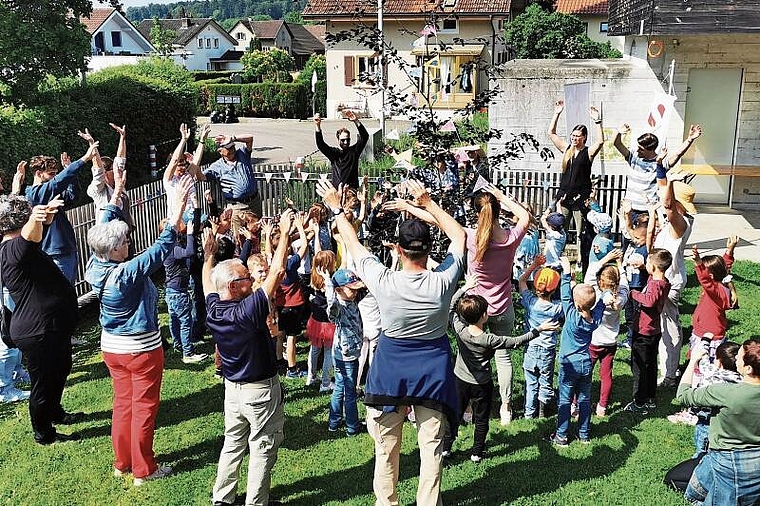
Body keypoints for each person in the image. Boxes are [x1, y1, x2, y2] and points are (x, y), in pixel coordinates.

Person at [316, 177, 465, 506]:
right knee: (431, 451)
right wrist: (427, 204)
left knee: (385, 450)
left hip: (389, 373)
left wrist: (337, 207)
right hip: (434, 375)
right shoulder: (444, 279)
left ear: (397, 249)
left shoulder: (383, 279)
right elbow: (459, 235)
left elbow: (353, 244)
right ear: (428, 249)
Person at [85, 175, 194, 485]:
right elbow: (161, 249)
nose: (128, 243)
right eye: (123, 243)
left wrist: (117, 192)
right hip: (141, 350)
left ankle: (122, 463)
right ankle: (144, 470)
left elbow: (105, 222)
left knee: (122, 405)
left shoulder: (96, 263)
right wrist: (178, 207)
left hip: (113, 349)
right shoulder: (126, 274)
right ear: (113, 250)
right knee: (144, 408)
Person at [204, 209, 293, 506]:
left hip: (233, 391)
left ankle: (223, 499)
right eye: (246, 278)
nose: (252, 281)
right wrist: (282, 232)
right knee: (262, 447)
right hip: (260, 390)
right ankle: (257, 502)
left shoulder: (215, 309)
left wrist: (208, 257)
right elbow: (276, 270)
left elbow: (208, 284)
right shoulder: (248, 310)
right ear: (234, 286)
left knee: (232, 443)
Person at [445, 274, 559, 461]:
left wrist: (466, 287)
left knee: (455, 414)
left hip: (460, 379)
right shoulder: (490, 339)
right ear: (484, 316)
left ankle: (446, 448)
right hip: (482, 384)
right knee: (481, 420)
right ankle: (476, 452)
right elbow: (516, 341)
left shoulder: (459, 328)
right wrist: (539, 330)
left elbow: (450, 306)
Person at [0, 194, 80, 444]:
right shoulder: (12, 248)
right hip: (38, 330)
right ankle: (43, 434)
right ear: (19, 220)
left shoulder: (20, 248)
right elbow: (30, 236)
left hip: (50, 326)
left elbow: (33, 237)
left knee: (61, 367)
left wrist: (45, 218)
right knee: (43, 384)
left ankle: (55, 413)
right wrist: (37, 218)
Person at [464, 184, 531, 425]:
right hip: (503, 307)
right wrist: (503, 197)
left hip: (475, 309)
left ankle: (470, 408)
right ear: (498, 210)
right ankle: (505, 407)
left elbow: (437, 219)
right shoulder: (511, 238)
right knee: (503, 357)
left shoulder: (469, 238)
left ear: (475, 212)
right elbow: (525, 216)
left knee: (473, 357)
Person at [677, 339, 760, 506]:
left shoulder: (725, 392)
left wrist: (693, 360)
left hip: (727, 460)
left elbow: (683, 395)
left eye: (739, 356)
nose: (736, 358)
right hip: (754, 459)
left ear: (749, 368)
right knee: (692, 490)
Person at [548, 257, 606, 447]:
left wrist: (566, 272)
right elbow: (598, 306)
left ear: (577, 305)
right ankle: (584, 434)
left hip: (568, 364)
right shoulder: (594, 319)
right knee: (584, 399)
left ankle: (562, 435)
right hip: (585, 364)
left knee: (565, 400)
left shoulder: (572, 316)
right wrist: (605, 297)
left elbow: (565, 295)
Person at [25, 142, 100, 283]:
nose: (55, 177)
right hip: (53, 253)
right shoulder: (33, 194)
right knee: (61, 294)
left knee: (69, 292)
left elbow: (72, 196)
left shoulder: (51, 192)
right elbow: (57, 183)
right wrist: (83, 159)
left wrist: (69, 171)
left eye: (56, 173)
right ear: (38, 173)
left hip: (67, 249)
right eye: (51, 174)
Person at [654, 169, 696, 387]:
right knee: (663, 326)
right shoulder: (675, 221)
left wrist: (670, 181)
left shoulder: (681, 224)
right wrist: (662, 168)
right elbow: (665, 194)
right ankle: (666, 369)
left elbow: (668, 206)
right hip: (664, 278)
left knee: (669, 328)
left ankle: (670, 374)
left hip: (670, 282)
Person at [547, 100, 604, 263]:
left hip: (581, 198)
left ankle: (580, 259)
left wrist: (597, 121)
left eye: (577, 136)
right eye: (572, 136)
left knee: (580, 231)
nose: (574, 139)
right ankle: (558, 256)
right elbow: (551, 133)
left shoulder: (588, 153)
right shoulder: (566, 149)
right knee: (559, 227)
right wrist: (557, 113)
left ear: (584, 137)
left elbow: (600, 141)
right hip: (564, 197)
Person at [623, 248, 672, 414]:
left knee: (639, 368)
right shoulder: (662, 281)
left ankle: (639, 402)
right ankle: (651, 397)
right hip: (654, 331)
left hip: (643, 331)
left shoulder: (655, 285)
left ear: (655, 267)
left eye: (649, 262)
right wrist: (644, 267)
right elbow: (653, 281)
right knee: (650, 365)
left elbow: (649, 301)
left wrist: (633, 294)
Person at [613, 122, 702, 213]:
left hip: (647, 210)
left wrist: (690, 139)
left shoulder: (660, 162)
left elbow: (678, 154)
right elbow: (617, 144)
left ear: (651, 150)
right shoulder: (633, 157)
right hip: (629, 208)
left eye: (641, 149)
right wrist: (619, 132)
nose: (637, 150)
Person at [321, 267, 365, 436]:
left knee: (340, 387)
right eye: (351, 289)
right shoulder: (338, 308)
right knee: (350, 391)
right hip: (346, 356)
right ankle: (352, 426)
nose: (355, 292)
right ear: (339, 290)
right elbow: (331, 304)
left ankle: (334, 422)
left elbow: (372, 286)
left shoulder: (353, 300)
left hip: (342, 353)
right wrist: (329, 284)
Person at [519, 255, 564, 419]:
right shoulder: (557, 308)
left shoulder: (530, 302)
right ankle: (543, 412)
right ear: (553, 289)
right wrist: (569, 278)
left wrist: (534, 266)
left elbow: (522, 281)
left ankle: (529, 413)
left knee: (531, 382)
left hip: (530, 347)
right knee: (545, 380)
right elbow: (569, 299)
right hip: (547, 350)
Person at [196, 130, 260, 214]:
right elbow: (201, 177)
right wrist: (195, 165)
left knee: (257, 226)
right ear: (220, 151)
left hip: (254, 202)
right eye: (228, 148)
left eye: (232, 146)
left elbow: (250, 138)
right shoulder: (217, 166)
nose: (232, 149)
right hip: (236, 206)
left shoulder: (242, 154)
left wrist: (233, 138)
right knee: (238, 227)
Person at [305, 250, 336, 393]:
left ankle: (311, 377)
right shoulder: (330, 280)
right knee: (328, 351)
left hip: (316, 320)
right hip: (327, 322)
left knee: (315, 348)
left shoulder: (314, 275)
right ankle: (325, 382)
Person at [314, 110, 369, 189]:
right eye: (343, 140)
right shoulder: (334, 153)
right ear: (338, 140)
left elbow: (365, 136)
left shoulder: (354, 151)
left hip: (352, 192)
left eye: (348, 139)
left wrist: (356, 121)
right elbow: (321, 144)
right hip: (337, 192)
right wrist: (317, 125)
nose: (346, 142)